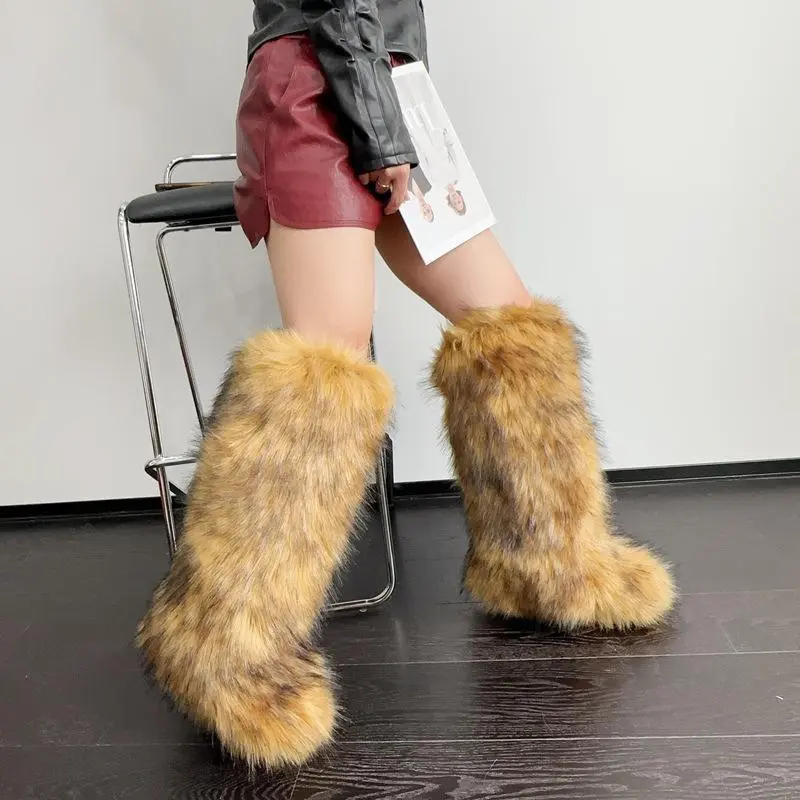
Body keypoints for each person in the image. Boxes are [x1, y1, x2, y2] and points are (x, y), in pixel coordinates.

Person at [138, 0, 676, 771]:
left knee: (506, 320)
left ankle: (547, 562)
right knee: (325, 359)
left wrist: (390, 118)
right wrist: (380, 132)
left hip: (382, 86)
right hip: (322, 82)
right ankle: (223, 646)